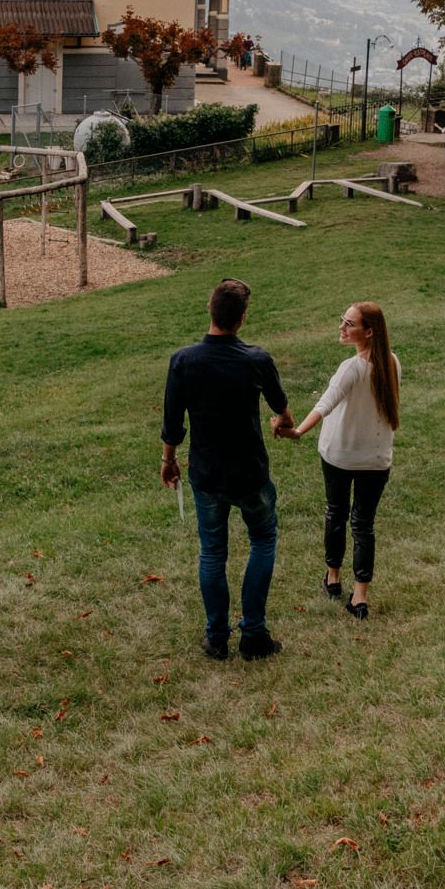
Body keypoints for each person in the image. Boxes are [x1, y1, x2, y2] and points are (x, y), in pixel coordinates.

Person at [161, 278, 293, 660]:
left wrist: (168, 461)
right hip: (250, 472)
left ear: (210, 310)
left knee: (213, 552)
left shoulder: (184, 360)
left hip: (207, 474)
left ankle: (217, 637)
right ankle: (254, 634)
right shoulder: (256, 359)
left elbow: (173, 422)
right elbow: (280, 408)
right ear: (242, 319)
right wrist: (284, 423)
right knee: (263, 540)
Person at [280, 302, 400, 620]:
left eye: (349, 323)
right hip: (377, 459)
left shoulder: (352, 367)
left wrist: (297, 432)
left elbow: (326, 402)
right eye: (342, 321)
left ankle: (332, 577)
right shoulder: (392, 362)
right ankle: (359, 598)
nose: (342, 327)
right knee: (363, 525)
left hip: (340, 457)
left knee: (336, 513)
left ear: (369, 331)